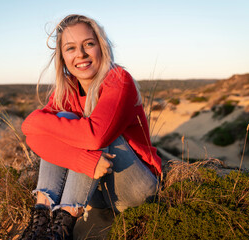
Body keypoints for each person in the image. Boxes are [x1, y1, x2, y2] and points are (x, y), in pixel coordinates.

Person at [20, 14, 162, 240]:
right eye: (71, 48)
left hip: (136, 189)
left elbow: (96, 138)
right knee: (65, 119)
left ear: (101, 47)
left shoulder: (118, 79)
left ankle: (66, 217)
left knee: (82, 130)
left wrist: (36, 122)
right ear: (62, 57)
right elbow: (34, 137)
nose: (81, 54)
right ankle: (42, 219)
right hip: (95, 193)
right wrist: (83, 160)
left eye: (88, 44)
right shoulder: (66, 90)